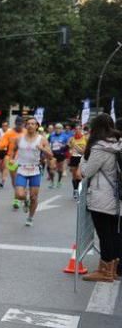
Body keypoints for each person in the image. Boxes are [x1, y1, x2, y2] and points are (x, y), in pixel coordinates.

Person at [79, 114, 122, 281]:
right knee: (113, 233)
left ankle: (105, 272)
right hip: (116, 196)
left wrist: (84, 157)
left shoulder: (99, 148)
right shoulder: (118, 144)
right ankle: (112, 269)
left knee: (104, 235)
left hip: (102, 196)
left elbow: (86, 172)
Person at [8, 116, 53, 226]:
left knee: (34, 197)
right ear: (25, 125)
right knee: (19, 194)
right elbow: (13, 150)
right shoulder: (19, 139)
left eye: (33, 124)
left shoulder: (42, 139)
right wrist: (12, 159)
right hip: (22, 169)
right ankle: (25, 201)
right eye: (28, 124)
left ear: (37, 126)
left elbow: (51, 156)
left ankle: (30, 217)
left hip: (35, 170)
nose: (30, 125)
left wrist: (42, 149)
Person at [48, 122, 71, 188]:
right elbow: (47, 144)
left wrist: (63, 147)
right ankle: (52, 183)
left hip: (61, 154)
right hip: (53, 154)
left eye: (59, 128)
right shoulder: (51, 135)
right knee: (51, 168)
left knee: (60, 170)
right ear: (55, 129)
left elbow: (68, 145)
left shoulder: (65, 136)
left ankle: (59, 182)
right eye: (56, 128)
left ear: (61, 129)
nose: (57, 129)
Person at [69, 123, 88, 199]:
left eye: (79, 129)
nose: (78, 130)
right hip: (73, 158)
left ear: (82, 130)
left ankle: (80, 190)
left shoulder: (85, 138)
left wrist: (78, 148)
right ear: (74, 130)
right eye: (76, 129)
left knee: (79, 175)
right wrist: (70, 150)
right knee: (74, 176)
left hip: (82, 158)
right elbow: (69, 148)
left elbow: (85, 151)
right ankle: (75, 190)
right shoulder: (71, 139)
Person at [0, 121, 12, 188]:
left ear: (8, 126)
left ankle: (3, 180)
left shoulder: (10, 131)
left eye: (5, 126)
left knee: (5, 166)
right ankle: (2, 175)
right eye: (3, 126)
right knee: (0, 167)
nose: (4, 127)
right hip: (0, 150)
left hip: (7, 151)